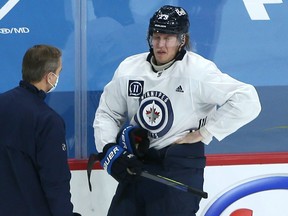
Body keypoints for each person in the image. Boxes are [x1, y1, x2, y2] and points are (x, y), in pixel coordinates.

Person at [93, 5, 261, 216]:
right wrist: (109, 148)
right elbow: (108, 113)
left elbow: (247, 99)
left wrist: (204, 133)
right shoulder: (129, 68)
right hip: (138, 165)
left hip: (180, 166)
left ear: (182, 40)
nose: (161, 45)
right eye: (157, 36)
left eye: (168, 38)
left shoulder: (198, 71)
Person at [0, 45, 81, 216]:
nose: (59, 76)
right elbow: (55, 181)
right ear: (49, 76)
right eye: (59, 71)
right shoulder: (48, 121)